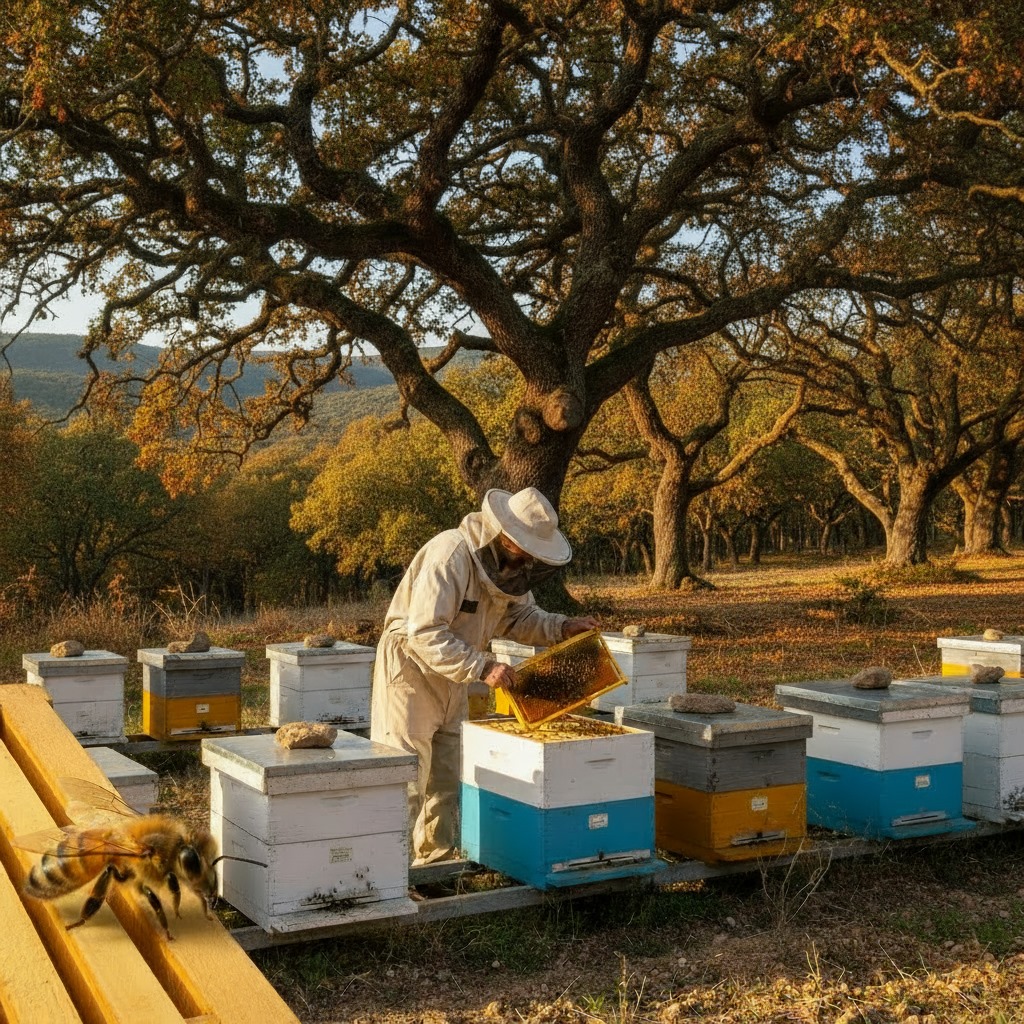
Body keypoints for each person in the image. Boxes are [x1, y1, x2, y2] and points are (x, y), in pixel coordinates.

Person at [370, 486, 598, 865]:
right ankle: (390, 872)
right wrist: (483, 666)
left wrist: (562, 627)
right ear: (505, 537)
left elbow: (520, 618)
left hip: (457, 673)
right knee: (406, 774)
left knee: (446, 776)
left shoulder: (510, 571)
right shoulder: (451, 555)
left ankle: (434, 864)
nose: (529, 561)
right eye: (525, 550)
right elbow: (424, 632)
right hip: (411, 669)